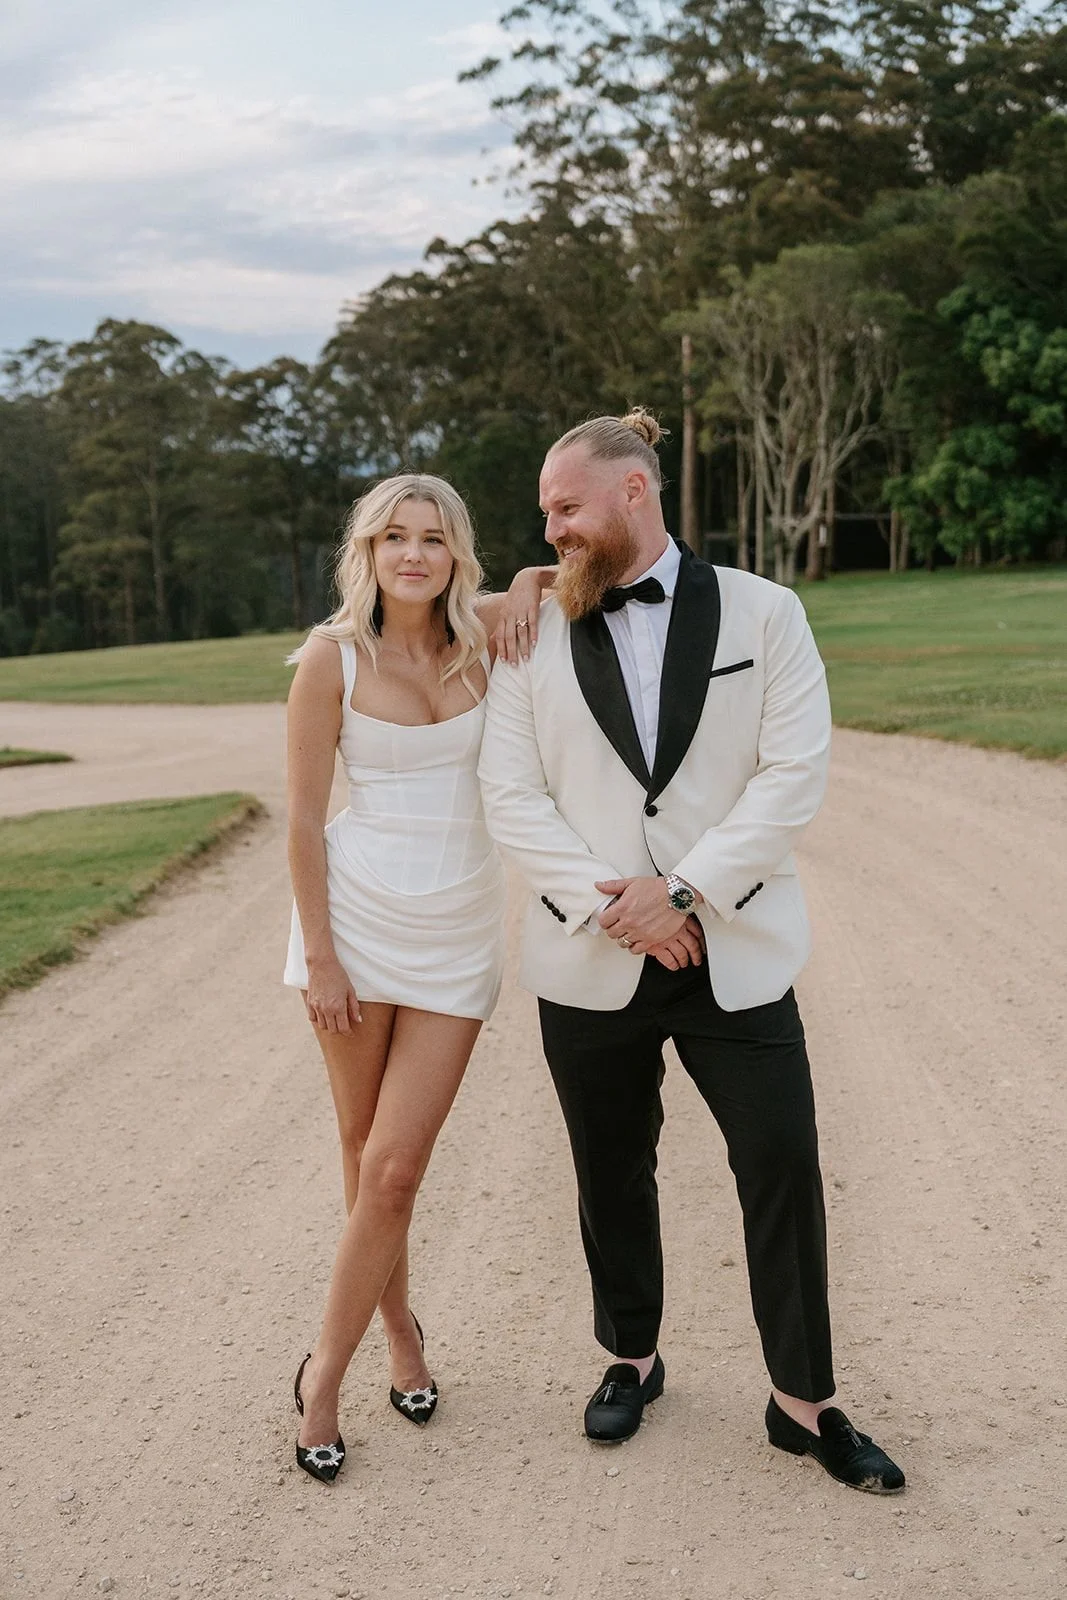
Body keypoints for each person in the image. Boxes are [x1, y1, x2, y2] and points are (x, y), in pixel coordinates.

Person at [478, 409, 905, 1495]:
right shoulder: (529, 630)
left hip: (734, 944)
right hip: (590, 954)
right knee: (609, 1168)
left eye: (564, 507)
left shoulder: (766, 611)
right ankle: (630, 1356)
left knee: (781, 1161)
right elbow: (509, 793)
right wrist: (617, 908)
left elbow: (791, 773)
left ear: (633, 490)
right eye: (543, 513)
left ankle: (802, 1401)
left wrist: (681, 892)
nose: (549, 529)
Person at [283, 473, 546, 1483]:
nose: (412, 554)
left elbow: (566, 580)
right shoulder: (331, 658)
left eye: (432, 538)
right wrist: (320, 956)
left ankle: (331, 1359)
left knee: (394, 1166)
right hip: (354, 926)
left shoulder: (483, 635)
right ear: (367, 551)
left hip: (458, 931)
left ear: (455, 554)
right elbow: (303, 820)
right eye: (393, 536)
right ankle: (362, 1358)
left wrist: (533, 577)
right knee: (366, 1154)